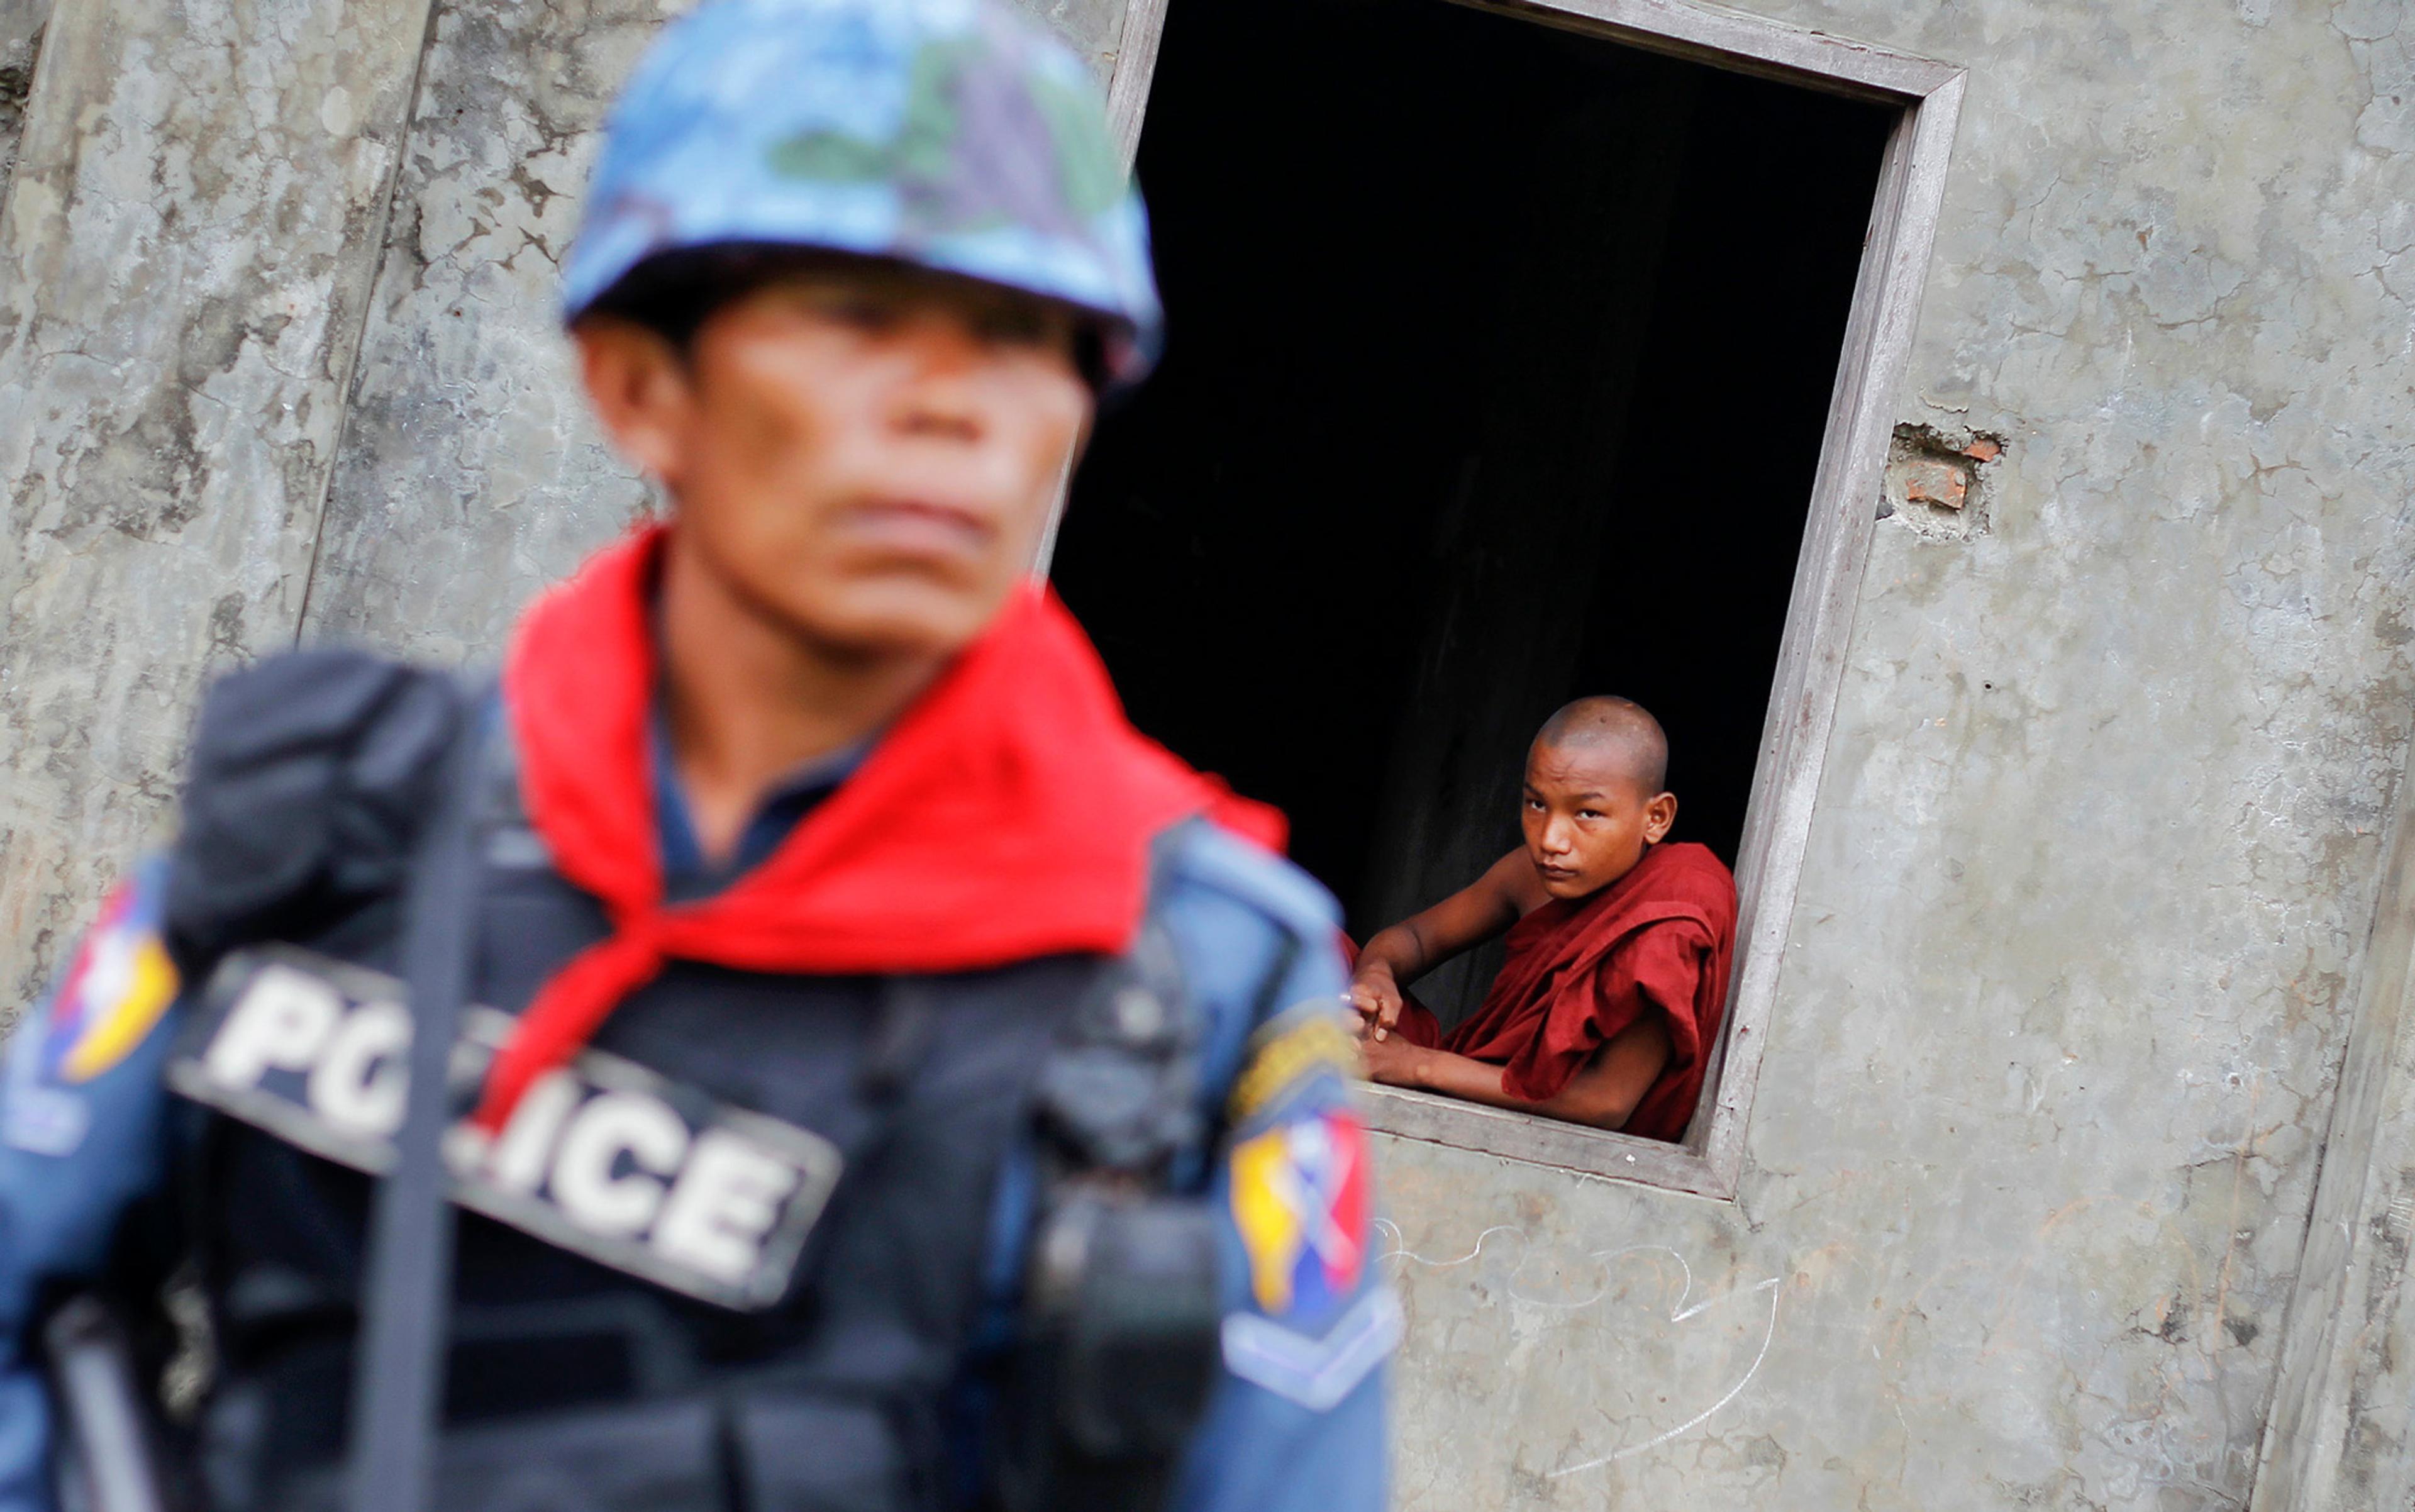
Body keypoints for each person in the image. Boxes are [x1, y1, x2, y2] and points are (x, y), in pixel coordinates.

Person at [0, 2, 1392, 1508]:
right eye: (854, 316)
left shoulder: (1192, 967)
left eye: (1018, 338)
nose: (949, 405)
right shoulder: (340, 818)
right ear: (638, 384)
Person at [1348, 696, 1736, 1141]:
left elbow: (1607, 1102)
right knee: (1323, 953)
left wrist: (1416, 1065)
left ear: (1656, 818)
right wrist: (1375, 974)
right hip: (1466, 1081)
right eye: (1536, 804)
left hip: (1560, 1147)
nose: (1551, 839)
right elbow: (1416, 938)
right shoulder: (1528, 874)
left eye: (1587, 813)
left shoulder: (1668, 917)